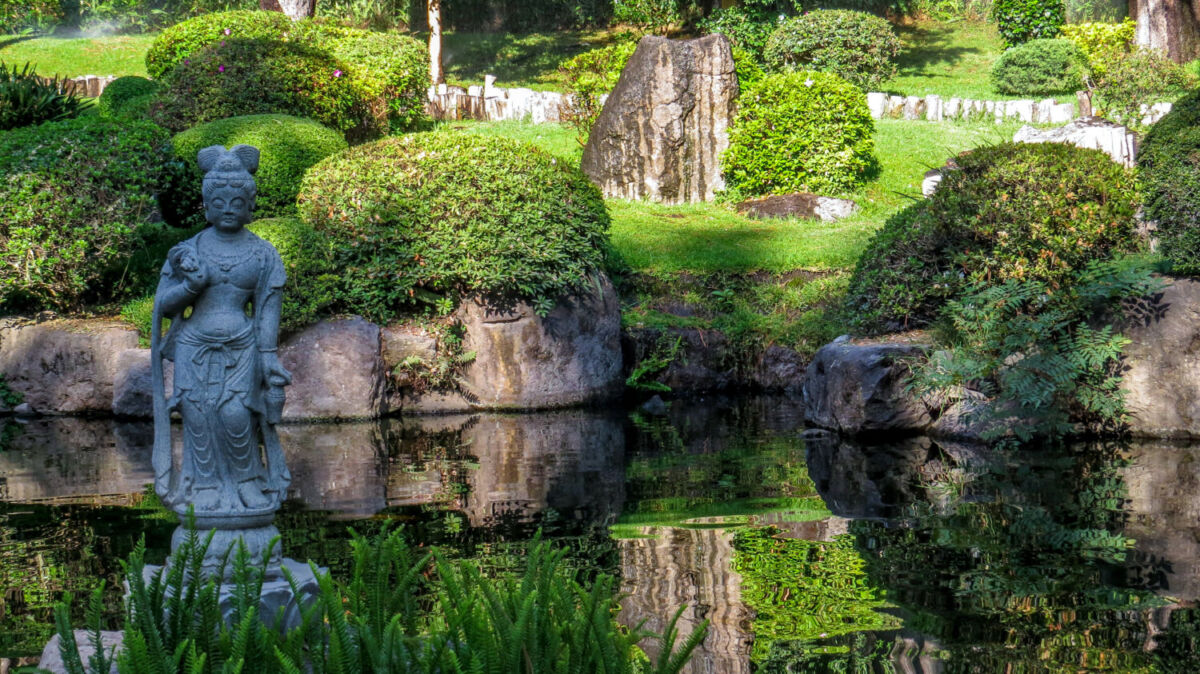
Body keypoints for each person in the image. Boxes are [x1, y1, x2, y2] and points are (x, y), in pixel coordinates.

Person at [151, 144, 292, 519]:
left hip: (242, 347)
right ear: (206, 204)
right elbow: (165, 306)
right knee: (198, 416)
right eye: (218, 199)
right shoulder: (188, 250)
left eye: (236, 199)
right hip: (193, 345)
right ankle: (206, 486)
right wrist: (191, 286)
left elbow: (266, 312)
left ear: (250, 204)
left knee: (236, 415)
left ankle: (248, 481)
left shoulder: (263, 254)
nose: (228, 206)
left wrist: (269, 357)